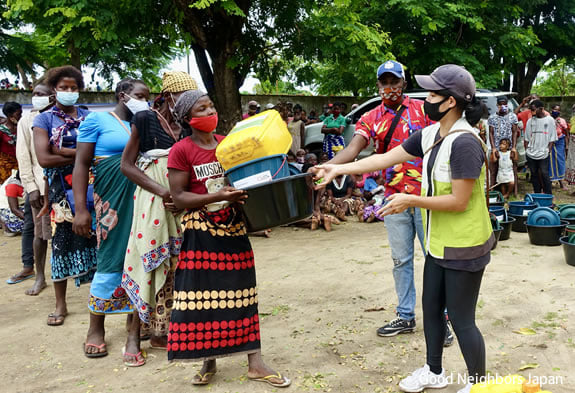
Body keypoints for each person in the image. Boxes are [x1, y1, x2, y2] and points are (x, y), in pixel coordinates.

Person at [312, 64, 492, 393]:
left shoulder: (465, 142)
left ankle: (479, 385)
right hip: (439, 242)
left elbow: (459, 202)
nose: (427, 99)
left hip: (464, 245)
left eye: (434, 94)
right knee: (431, 310)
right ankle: (434, 371)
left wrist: (411, 200)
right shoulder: (431, 134)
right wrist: (331, 168)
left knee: (463, 321)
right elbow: (381, 159)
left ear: (451, 102)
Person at [167, 89, 290, 388]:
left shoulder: (227, 145)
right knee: (201, 299)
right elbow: (179, 196)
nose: (210, 112)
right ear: (187, 118)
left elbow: (247, 177)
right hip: (200, 229)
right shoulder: (181, 150)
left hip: (233, 225)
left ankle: (255, 363)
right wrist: (217, 195)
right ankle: (208, 361)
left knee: (244, 294)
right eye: (201, 109)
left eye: (211, 105)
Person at [320, 60, 436, 339]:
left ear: (404, 83)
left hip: (425, 197)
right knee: (400, 259)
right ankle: (405, 316)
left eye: (394, 82)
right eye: (384, 83)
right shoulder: (370, 118)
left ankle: (440, 319)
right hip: (393, 199)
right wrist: (331, 166)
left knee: (435, 259)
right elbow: (353, 148)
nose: (389, 88)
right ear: (378, 86)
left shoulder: (424, 111)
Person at [119, 71, 196, 367]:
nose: (190, 106)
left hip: (180, 202)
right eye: (185, 99)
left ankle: (162, 332)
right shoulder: (146, 119)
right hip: (153, 198)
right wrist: (163, 191)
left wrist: (183, 196)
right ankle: (132, 335)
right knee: (147, 260)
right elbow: (127, 166)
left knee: (176, 265)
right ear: (169, 96)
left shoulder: (188, 126)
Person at [72, 79, 150, 358]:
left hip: (142, 199)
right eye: (140, 96)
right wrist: (81, 209)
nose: (145, 101)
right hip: (112, 202)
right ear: (123, 96)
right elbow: (81, 164)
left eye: (148, 97)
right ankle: (96, 327)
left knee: (141, 256)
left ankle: (136, 326)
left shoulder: (144, 122)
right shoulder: (97, 120)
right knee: (110, 259)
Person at [33, 65, 97, 326]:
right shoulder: (44, 119)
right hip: (60, 189)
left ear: (79, 90)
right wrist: (82, 152)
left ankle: (99, 296)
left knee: (95, 236)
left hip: (93, 185)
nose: (69, 92)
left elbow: (98, 149)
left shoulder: (89, 116)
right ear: (54, 90)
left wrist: (63, 151)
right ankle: (61, 304)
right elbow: (44, 158)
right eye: (63, 88)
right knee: (60, 242)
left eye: (73, 88)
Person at [10, 83, 54, 294]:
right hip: (39, 186)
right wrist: (31, 187)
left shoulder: (61, 117)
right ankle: (39, 276)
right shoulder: (26, 120)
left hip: (63, 184)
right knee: (39, 234)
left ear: (52, 97)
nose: (37, 97)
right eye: (35, 93)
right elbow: (23, 157)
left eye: (42, 94)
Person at [524, 100, 557, 195]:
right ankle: (537, 194)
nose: (532, 112)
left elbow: (552, 137)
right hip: (531, 152)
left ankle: (548, 195)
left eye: (534, 110)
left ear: (541, 109)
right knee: (534, 174)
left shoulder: (550, 120)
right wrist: (527, 150)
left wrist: (548, 150)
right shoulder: (530, 121)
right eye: (531, 110)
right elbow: (526, 138)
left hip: (543, 152)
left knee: (544, 174)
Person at [487, 97, 518, 193]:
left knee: (512, 169)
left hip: (509, 148)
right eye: (500, 105)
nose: (503, 107)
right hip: (497, 147)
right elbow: (491, 133)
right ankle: (492, 191)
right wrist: (493, 148)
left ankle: (514, 191)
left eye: (505, 104)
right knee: (494, 170)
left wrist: (513, 147)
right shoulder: (492, 117)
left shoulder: (513, 116)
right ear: (497, 105)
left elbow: (514, 132)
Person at [0, 102, 22, 184]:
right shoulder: (2, 131)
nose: (21, 117)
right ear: (10, 116)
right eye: (18, 114)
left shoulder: (21, 128)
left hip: (20, 164)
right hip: (4, 167)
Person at [549, 104, 569, 189]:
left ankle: (561, 182)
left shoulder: (562, 121)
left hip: (559, 141)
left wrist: (567, 144)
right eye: (555, 110)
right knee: (550, 161)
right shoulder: (548, 119)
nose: (556, 111)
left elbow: (566, 132)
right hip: (549, 142)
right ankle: (549, 182)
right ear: (551, 110)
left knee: (560, 160)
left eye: (558, 110)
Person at [0, 170, 24, 235]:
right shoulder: (13, 186)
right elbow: (14, 209)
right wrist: (31, 219)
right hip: (7, 208)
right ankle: (5, 224)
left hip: (20, 205)